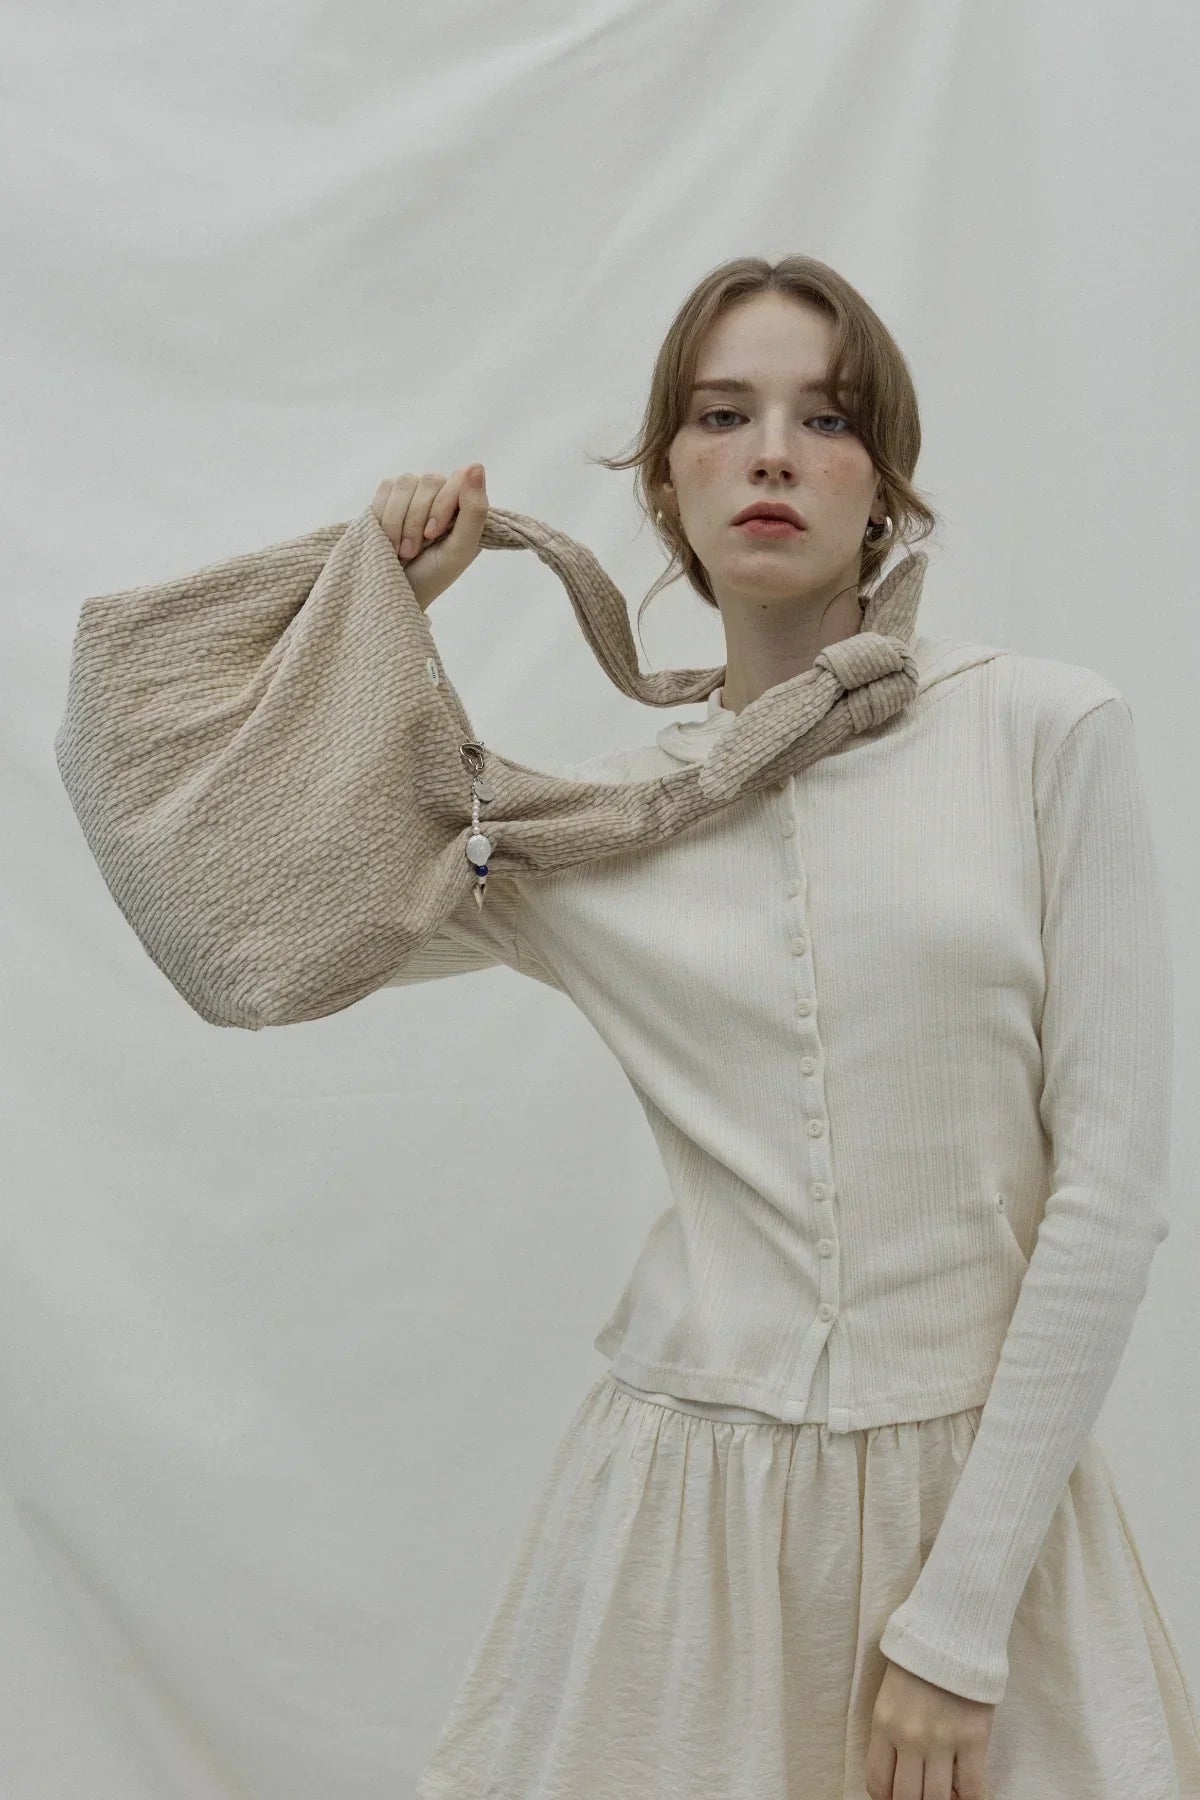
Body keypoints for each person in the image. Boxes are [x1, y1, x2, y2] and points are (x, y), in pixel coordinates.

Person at [371, 256, 1200, 1800]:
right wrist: (384, 614)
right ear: (667, 483)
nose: (770, 451)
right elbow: (265, 920)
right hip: (675, 1542)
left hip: (985, 1524)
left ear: (882, 481)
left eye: (824, 417)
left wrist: (958, 1627)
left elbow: (1112, 1199)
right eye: (720, 414)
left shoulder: (1045, 731)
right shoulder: (596, 831)